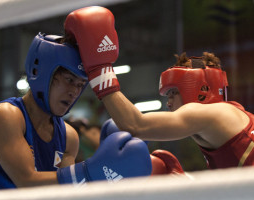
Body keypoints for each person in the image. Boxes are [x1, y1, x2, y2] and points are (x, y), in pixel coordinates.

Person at [64, 6, 254, 169]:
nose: (169, 103)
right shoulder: (231, 115)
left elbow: (136, 125)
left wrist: (99, 70)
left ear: (201, 91)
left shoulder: (206, 113)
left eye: (173, 94)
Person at [0, 33, 152, 190]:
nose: (74, 91)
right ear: (41, 73)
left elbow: (68, 191)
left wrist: (109, 182)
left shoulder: (68, 137)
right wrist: (91, 171)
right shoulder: (7, 116)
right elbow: (26, 181)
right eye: (69, 80)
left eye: (80, 85)